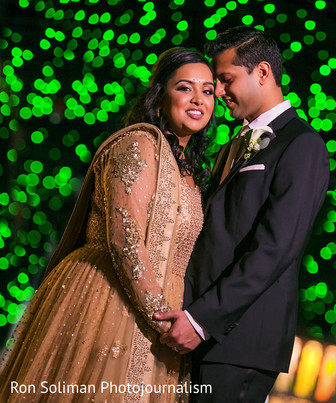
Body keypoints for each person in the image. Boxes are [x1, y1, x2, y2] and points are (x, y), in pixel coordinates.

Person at [0, 47, 215, 402]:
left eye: (207, 91)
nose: (198, 99)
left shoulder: (190, 170)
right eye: (185, 88)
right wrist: (164, 321)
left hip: (163, 311)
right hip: (109, 300)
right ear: (159, 94)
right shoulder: (139, 144)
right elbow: (125, 238)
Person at [155, 26, 330, 402]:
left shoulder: (302, 145)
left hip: (240, 343)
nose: (218, 91)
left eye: (225, 79)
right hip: (201, 332)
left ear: (263, 73)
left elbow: (275, 249)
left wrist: (202, 320)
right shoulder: (230, 146)